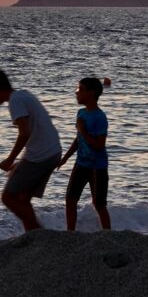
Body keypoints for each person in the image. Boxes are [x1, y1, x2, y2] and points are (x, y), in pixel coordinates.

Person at [0, 68, 61, 231]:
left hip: (41, 155)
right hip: (52, 152)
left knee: (8, 198)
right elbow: (36, 134)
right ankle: (32, 234)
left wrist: (11, 159)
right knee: (22, 198)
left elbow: (25, 133)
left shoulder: (15, 101)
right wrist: (21, 161)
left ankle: (40, 233)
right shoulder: (24, 94)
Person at [57, 77, 111, 230]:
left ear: (91, 93)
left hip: (97, 167)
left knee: (99, 204)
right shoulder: (81, 113)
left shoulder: (100, 117)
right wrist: (65, 158)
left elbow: (100, 145)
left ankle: (107, 233)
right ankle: (70, 232)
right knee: (70, 199)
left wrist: (83, 131)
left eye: (80, 89)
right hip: (81, 164)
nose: (77, 92)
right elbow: (78, 140)